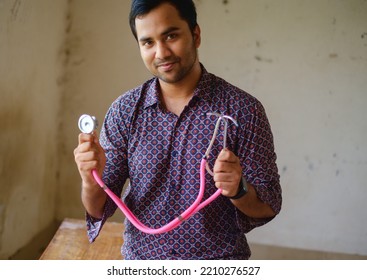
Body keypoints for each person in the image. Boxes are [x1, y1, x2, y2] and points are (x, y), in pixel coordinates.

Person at [74, 0, 282, 260]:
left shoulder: (243, 110)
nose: (161, 53)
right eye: (148, 42)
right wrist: (88, 178)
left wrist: (239, 189)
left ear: (195, 35)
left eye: (171, 36)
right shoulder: (124, 111)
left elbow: (269, 205)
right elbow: (99, 207)